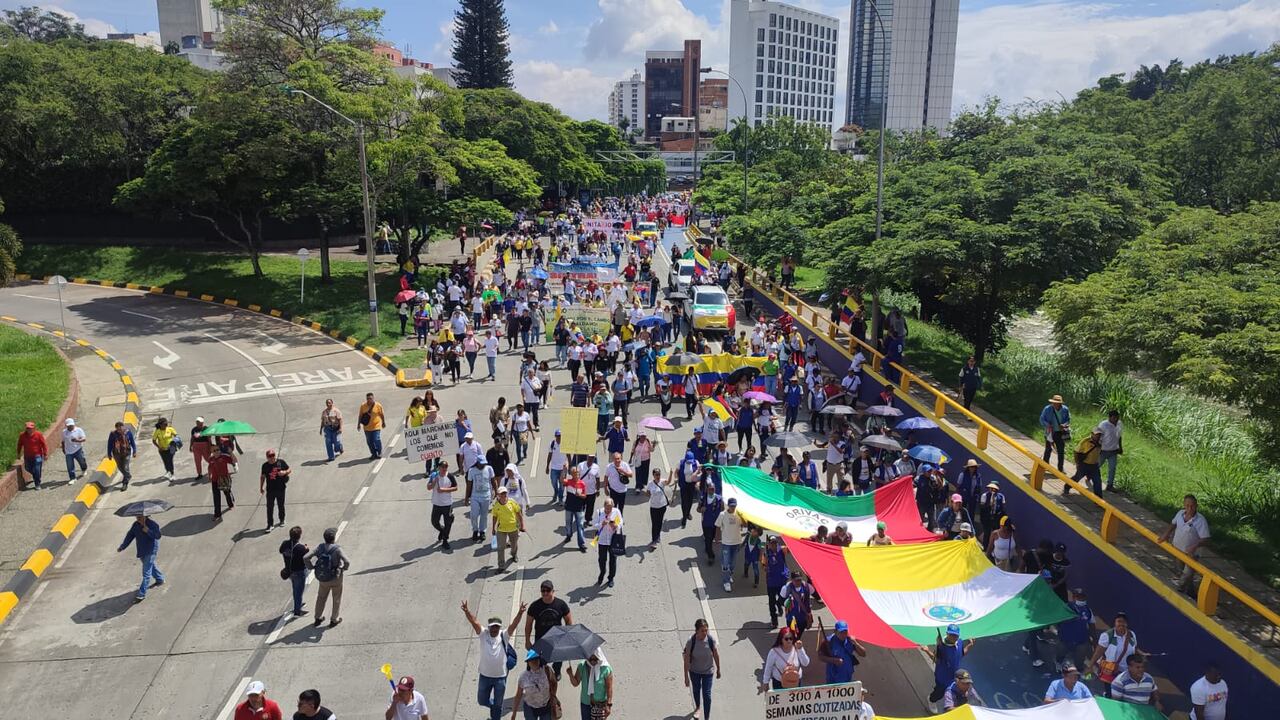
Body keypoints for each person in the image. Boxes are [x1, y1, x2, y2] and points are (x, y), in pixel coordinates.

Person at [461, 599, 527, 720]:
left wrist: (520, 613)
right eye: (492, 627)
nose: (494, 629)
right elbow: (474, 622)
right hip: (484, 676)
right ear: (489, 627)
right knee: (481, 700)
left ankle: (496, 713)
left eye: (497, 627)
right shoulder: (483, 634)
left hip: (500, 678)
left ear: (499, 627)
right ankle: (494, 707)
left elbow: (513, 625)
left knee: (498, 704)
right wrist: (467, 611)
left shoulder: (504, 635)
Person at [1159, 493, 1210, 594]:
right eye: (1187, 506)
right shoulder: (1180, 514)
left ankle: (1178, 590)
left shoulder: (1201, 521)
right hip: (1178, 549)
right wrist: (1166, 534)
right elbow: (1173, 523)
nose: (1190, 508)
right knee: (1182, 571)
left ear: (1196, 506)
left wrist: (1194, 546)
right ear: (1184, 505)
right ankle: (1190, 591)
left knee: (1186, 574)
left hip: (1192, 554)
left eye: (1192, 506)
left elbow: (1206, 538)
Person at [525, 579, 574, 680]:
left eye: (548, 590)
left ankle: (556, 671)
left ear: (553, 591)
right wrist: (527, 640)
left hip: (557, 638)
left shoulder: (561, 604)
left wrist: (567, 636)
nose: (545, 593)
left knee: (558, 658)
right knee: (535, 662)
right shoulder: (535, 606)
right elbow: (528, 624)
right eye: (543, 591)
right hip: (541, 640)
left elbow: (568, 620)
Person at [305, 526, 350, 628]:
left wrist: (312, 567)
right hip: (336, 578)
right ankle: (334, 619)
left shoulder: (320, 547)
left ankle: (318, 617)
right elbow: (347, 561)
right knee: (336, 598)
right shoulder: (337, 549)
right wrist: (343, 569)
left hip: (323, 578)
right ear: (333, 538)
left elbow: (306, 557)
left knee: (321, 597)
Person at [922, 625, 974, 710]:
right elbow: (936, 660)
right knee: (939, 693)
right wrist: (927, 651)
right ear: (947, 634)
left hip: (954, 677)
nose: (954, 637)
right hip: (942, 678)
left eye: (956, 635)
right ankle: (931, 700)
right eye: (952, 635)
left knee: (958, 692)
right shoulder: (942, 648)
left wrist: (969, 645)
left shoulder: (960, 642)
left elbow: (961, 654)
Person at [116, 513, 165, 603]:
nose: (138, 518)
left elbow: (158, 536)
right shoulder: (136, 525)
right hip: (142, 551)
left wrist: (148, 531)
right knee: (151, 566)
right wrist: (122, 547)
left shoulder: (153, 524)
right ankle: (160, 579)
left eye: (140, 517)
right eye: (137, 517)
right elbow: (129, 536)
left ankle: (141, 594)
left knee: (146, 573)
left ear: (146, 516)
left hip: (151, 550)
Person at [1090, 612, 1138, 694]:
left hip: (1126, 671)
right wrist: (1090, 665)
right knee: (1111, 693)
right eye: (1119, 621)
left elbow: (1135, 649)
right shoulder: (1107, 636)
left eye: (1124, 622)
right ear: (1114, 623)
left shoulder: (1132, 634)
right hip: (1110, 670)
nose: (1121, 624)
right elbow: (1098, 652)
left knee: (1123, 693)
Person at [683, 618, 721, 719]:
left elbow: (716, 655)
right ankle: (698, 707)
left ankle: (707, 718)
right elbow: (686, 660)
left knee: (707, 695)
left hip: (708, 672)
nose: (705, 633)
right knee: (696, 690)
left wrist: (718, 669)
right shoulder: (691, 641)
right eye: (702, 631)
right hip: (694, 671)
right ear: (697, 631)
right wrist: (686, 676)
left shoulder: (710, 640)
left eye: (706, 630)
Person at [567, 648, 613, 719]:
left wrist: (608, 705)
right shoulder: (582, 666)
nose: (592, 661)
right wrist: (570, 674)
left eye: (595, 659)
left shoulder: (606, 668)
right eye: (590, 659)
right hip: (585, 703)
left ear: (599, 657)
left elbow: (609, 688)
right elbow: (575, 683)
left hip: (600, 704)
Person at [511, 650, 558, 720]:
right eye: (531, 660)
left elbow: (554, 683)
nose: (534, 662)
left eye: (536, 659)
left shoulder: (547, 670)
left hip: (546, 706)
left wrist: (553, 695)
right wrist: (514, 713)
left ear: (539, 660)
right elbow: (518, 695)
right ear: (528, 663)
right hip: (530, 708)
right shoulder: (523, 677)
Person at [818, 619, 867, 685]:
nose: (844, 634)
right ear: (835, 631)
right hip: (833, 678)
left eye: (845, 632)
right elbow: (820, 656)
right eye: (841, 632)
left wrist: (855, 643)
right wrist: (833, 660)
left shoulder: (850, 640)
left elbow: (863, 654)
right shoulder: (829, 641)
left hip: (847, 676)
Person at [491, 486, 525, 569]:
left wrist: (522, 525)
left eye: (505, 493)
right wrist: (493, 528)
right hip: (501, 529)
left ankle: (514, 554)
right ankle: (501, 566)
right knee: (500, 548)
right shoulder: (496, 506)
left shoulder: (512, 502)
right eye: (502, 493)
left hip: (513, 528)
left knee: (514, 545)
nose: (504, 495)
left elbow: (518, 513)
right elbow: (494, 517)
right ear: (498, 495)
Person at [715, 497, 745, 592]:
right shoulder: (722, 514)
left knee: (733, 563)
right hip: (726, 543)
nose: (733, 508)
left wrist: (742, 516)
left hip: (736, 542)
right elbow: (717, 526)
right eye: (731, 506)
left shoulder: (738, 515)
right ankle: (726, 582)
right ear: (728, 505)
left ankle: (729, 574)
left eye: (734, 506)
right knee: (725, 563)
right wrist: (717, 538)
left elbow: (744, 525)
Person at [593, 496, 624, 587]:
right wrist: (601, 524)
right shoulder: (599, 512)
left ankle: (611, 578)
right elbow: (594, 525)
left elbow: (620, 523)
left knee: (613, 560)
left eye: (610, 509)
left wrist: (615, 525)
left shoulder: (616, 512)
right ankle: (602, 573)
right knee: (602, 560)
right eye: (607, 509)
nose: (608, 511)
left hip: (613, 540)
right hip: (602, 540)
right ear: (604, 506)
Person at [279, 525, 309, 616]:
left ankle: (298, 603)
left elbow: (281, 551)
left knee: (295, 588)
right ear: (299, 536)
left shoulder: (285, 544)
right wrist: (306, 548)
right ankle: (297, 611)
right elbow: (307, 554)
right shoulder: (300, 548)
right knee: (299, 591)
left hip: (290, 571)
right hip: (299, 571)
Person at [260, 449, 292, 530]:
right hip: (270, 490)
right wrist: (261, 487)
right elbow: (262, 477)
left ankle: (282, 520)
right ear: (267, 457)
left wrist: (284, 472)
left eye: (273, 455)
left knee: (281, 505)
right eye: (270, 456)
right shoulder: (265, 466)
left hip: (280, 488)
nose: (272, 457)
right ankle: (270, 524)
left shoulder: (281, 462)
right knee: (269, 507)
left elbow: (289, 469)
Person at [428, 462, 458, 549]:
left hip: (447, 504)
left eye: (446, 467)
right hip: (436, 504)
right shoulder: (434, 475)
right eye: (442, 467)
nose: (444, 468)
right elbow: (429, 487)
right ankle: (442, 530)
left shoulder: (450, 476)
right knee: (434, 522)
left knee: (448, 522)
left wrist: (444, 490)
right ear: (438, 468)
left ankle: (445, 540)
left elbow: (455, 487)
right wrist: (434, 482)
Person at [1039, 394, 1071, 473]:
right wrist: (1048, 425)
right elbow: (1042, 419)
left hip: (1060, 433)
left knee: (1061, 450)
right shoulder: (1047, 409)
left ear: (1060, 403)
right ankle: (1045, 465)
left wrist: (1064, 425)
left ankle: (1060, 468)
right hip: (1050, 432)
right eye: (1054, 403)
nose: (1055, 404)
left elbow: (1068, 419)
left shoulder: (1065, 409)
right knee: (1048, 449)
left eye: (1057, 403)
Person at [1068, 428, 1104, 495]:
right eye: (1096, 434)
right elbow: (1076, 452)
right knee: (1077, 478)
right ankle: (1067, 486)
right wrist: (1077, 463)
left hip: (1094, 466)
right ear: (1092, 434)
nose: (1098, 436)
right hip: (1084, 465)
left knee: (1097, 482)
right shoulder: (1085, 441)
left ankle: (1098, 499)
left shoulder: (1101, 442)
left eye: (1099, 435)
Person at [470, 457, 496, 543]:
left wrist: (496, 491)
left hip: (486, 496)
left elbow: (493, 481)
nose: (483, 465)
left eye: (484, 463)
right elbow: (469, 484)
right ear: (477, 462)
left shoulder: (489, 469)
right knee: (474, 514)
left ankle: (482, 531)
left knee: (484, 515)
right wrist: (467, 498)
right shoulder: (472, 470)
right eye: (481, 463)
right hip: (475, 497)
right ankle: (475, 530)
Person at [107, 421, 137, 490]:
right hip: (117, 454)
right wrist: (109, 454)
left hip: (127, 453)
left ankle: (125, 483)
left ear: (123, 427)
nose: (120, 429)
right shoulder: (113, 434)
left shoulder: (128, 432)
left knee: (126, 467)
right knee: (120, 467)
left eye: (121, 428)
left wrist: (134, 451)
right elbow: (110, 444)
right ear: (116, 428)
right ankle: (128, 475)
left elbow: (132, 442)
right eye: (118, 428)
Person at [209, 444, 236, 521]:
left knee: (227, 492)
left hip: (224, 479)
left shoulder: (224, 457)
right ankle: (217, 514)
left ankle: (230, 504)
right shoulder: (211, 459)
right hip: (215, 480)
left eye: (218, 449)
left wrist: (231, 453)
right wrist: (209, 475)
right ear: (211, 452)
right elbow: (210, 467)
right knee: (216, 497)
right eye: (214, 450)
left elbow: (234, 461)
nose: (217, 451)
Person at [358, 393, 386, 459]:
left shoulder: (378, 405)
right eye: (368, 399)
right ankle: (373, 454)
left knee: (376, 439)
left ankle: (379, 452)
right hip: (367, 427)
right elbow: (360, 416)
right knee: (369, 442)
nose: (369, 400)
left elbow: (382, 414)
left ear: (373, 398)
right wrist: (358, 424)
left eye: (370, 398)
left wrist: (383, 422)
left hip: (376, 426)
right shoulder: (363, 406)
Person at [60, 418, 88, 482]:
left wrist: (77, 440)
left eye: (71, 425)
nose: (70, 427)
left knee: (82, 461)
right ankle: (72, 478)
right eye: (68, 426)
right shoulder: (64, 432)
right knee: (70, 465)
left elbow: (84, 439)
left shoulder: (78, 430)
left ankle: (84, 469)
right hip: (68, 451)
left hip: (78, 449)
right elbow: (63, 441)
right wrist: (63, 448)